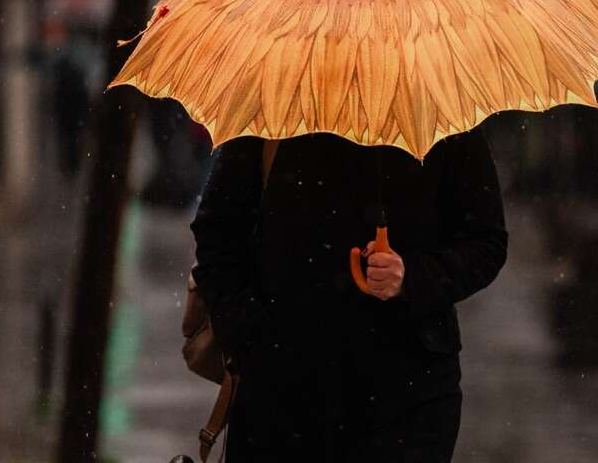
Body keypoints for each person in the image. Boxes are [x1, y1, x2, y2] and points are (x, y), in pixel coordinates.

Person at [190, 130, 507, 462]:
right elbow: (218, 233)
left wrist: (410, 276)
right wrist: (250, 333)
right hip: (281, 394)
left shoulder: (437, 111)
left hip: (408, 392)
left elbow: (486, 242)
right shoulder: (277, 105)